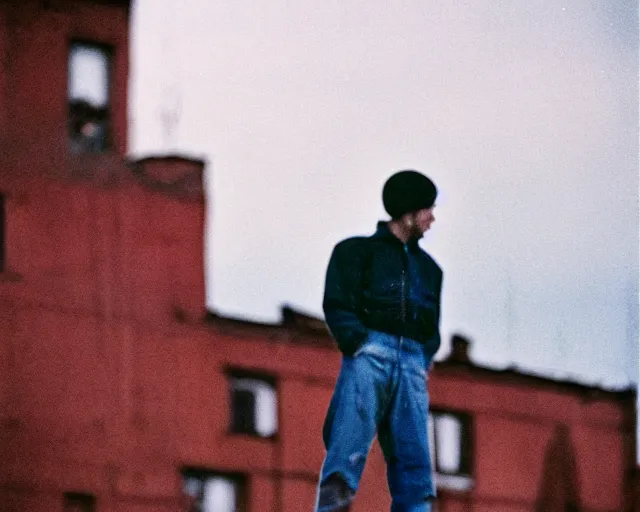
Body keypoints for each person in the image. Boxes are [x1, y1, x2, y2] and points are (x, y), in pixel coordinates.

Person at [315, 170, 443, 512]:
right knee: (346, 455)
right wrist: (360, 344)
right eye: (427, 208)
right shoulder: (355, 252)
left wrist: (420, 358)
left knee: (416, 470)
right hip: (369, 356)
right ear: (408, 211)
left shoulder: (431, 270)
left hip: (412, 365)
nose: (433, 217)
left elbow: (432, 328)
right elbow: (337, 303)